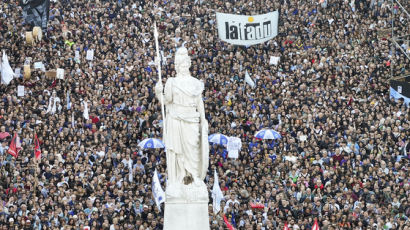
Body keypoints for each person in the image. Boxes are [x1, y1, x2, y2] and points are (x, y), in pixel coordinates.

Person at [155, 47, 209, 187]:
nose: (183, 67)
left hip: (191, 119)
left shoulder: (195, 83)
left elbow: (199, 102)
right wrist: (158, 91)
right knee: (178, 151)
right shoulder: (172, 82)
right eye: (181, 65)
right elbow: (166, 101)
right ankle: (180, 179)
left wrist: (204, 120)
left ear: (189, 65)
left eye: (186, 64)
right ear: (177, 66)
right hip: (176, 118)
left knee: (193, 149)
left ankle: (194, 177)